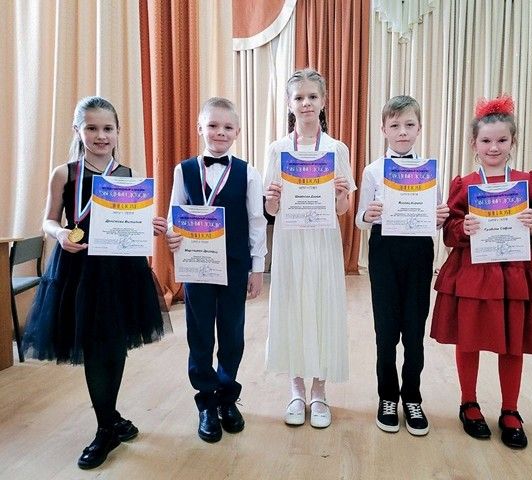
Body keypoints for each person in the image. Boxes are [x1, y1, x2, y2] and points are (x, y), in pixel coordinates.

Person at [21, 96, 169, 469]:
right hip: (80, 268)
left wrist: (149, 224)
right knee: (93, 347)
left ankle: (110, 419)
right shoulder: (64, 173)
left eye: (107, 128)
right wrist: (60, 234)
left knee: (115, 344)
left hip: (120, 270)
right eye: (92, 128)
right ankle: (107, 427)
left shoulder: (127, 174)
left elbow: (130, 220)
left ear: (118, 131)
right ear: (78, 131)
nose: (100, 136)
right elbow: (48, 220)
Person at [430, 95, 532, 449]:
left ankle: (510, 410)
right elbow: (449, 231)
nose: (494, 147)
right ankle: (468, 403)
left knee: (512, 343)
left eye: (501, 140)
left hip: (514, 274)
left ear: (513, 141)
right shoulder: (465, 183)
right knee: (468, 339)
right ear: (474, 143)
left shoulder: (526, 182)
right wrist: (462, 228)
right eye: (486, 140)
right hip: (472, 274)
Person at [166, 97, 267, 443]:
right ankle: (206, 401)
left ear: (237, 132)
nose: (219, 132)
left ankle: (227, 396)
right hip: (197, 267)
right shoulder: (183, 170)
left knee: (232, 333)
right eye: (212, 125)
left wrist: (257, 268)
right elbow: (175, 214)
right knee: (199, 334)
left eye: (227, 127)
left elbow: (256, 221)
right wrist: (172, 235)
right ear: (200, 128)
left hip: (235, 266)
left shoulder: (248, 172)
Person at [264, 68, 356, 428]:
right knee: (292, 307)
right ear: (289, 103)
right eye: (299, 97)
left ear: (323, 101)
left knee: (321, 307)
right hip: (290, 240)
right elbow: (271, 210)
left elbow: (343, 210)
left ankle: (319, 391)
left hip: (322, 240)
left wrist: (341, 194)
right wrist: (272, 199)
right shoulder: (277, 149)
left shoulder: (336, 149)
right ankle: (296, 389)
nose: (306, 103)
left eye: (312, 97)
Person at [355, 95, 450, 436]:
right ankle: (387, 397)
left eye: (409, 124)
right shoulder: (372, 170)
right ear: (383, 129)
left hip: (419, 252)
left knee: (413, 330)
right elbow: (359, 219)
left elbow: (435, 218)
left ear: (419, 128)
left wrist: (440, 217)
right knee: (385, 331)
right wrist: (369, 214)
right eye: (394, 125)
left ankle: (412, 397)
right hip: (384, 251)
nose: (402, 131)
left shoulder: (429, 169)